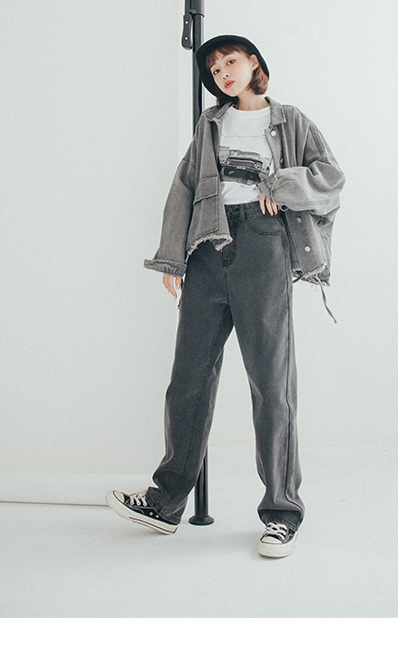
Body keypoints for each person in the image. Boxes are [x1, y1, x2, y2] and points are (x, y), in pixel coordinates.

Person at [106, 35, 345, 558]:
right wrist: (172, 256)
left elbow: (329, 177)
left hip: (264, 243)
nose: (223, 73)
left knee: (271, 384)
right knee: (187, 380)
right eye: (214, 69)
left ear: (253, 62)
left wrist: (278, 185)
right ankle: (166, 502)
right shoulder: (210, 123)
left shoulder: (290, 120)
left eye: (230, 61)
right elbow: (185, 185)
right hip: (208, 248)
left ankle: (282, 513)